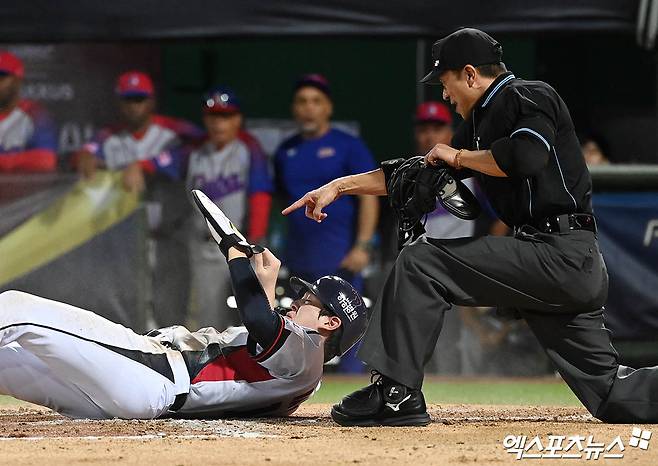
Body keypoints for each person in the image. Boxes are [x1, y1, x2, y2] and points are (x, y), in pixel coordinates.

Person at [283, 27, 658, 426]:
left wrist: (459, 156)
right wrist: (339, 186)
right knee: (613, 396)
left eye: (445, 84)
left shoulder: (528, 94)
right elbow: (417, 174)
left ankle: (395, 392)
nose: (444, 96)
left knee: (420, 262)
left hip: (560, 253)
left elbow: (526, 157)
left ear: (470, 74)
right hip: (552, 264)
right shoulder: (478, 123)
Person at [0, 192, 367, 419]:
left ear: (330, 323)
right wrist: (264, 285)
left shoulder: (307, 349)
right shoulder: (305, 373)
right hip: (136, 394)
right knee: (9, 363)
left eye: (308, 300)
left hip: (153, 373)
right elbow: (263, 347)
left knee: (17, 309)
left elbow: (260, 322)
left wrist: (235, 254)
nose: (299, 300)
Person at [75, 70, 204, 327]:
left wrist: (147, 164)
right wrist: (83, 155)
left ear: (152, 101)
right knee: (132, 305)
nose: (134, 106)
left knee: (173, 304)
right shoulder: (108, 137)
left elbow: (199, 147)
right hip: (127, 242)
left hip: (169, 236)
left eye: (140, 99)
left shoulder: (172, 132)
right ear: (119, 103)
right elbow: (85, 155)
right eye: (128, 99)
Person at [274, 73, 378, 372]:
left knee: (348, 332)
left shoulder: (349, 146)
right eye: (302, 102)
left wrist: (363, 245)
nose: (309, 108)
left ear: (328, 107)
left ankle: (354, 390)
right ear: (294, 108)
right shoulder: (285, 151)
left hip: (341, 256)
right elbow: (281, 201)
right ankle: (297, 387)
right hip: (300, 257)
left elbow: (370, 196)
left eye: (316, 101)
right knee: (300, 332)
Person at [186, 87, 273, 329]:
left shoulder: (249, 150)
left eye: (226, 116)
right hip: (203, 248)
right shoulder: (194, 153)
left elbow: (260, 196)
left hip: (240, 246)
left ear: (238, 119)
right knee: (208, 319)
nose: (219, 123)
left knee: (249, 317)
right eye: (213, 117)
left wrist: (256, 242)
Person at [0, 51, 57, 173]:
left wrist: (4, 162)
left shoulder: (35, 114)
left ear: (17, 80)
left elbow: (45, 160)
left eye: (1, 77)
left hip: (23, 190)